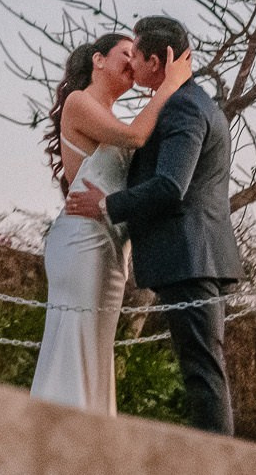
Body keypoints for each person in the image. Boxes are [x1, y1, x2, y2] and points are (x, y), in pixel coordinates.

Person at [65, 14, 242, 434]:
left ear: (156, 61)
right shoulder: (193, 101)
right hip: (193, 256)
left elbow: (170, 186)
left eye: (137, 57)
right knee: (202, 368)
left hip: (190, 256)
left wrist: (109, 205)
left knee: (202, 372)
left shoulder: (182, 106)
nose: (133, 67)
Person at [28, 29, 192, 414]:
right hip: (82, 242)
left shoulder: (110, 116)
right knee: (75, 343)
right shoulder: (78, 102)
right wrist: (170, 85)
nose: (132, 62)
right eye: (125, 53)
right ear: (98, 60)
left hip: (113, 250)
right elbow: (135, 136)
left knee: (97, 348)